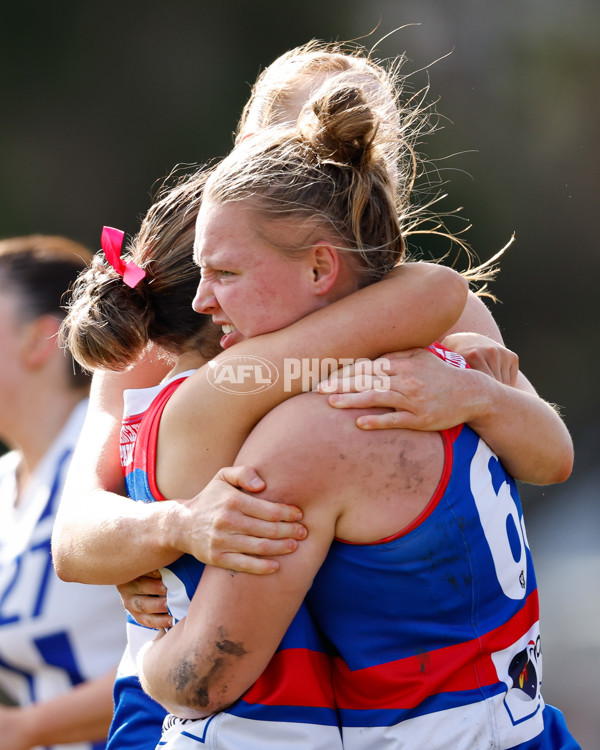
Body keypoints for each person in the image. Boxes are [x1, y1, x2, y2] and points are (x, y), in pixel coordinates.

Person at [54, 41, 573, 749]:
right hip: (192, 712)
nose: (353, 159)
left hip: (379, 715)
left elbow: (551, 455)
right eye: (315, 138)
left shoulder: (433, 306)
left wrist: (475, 397)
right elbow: (75, 534)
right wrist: (168, 532)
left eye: (366, 138)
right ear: (247, 154)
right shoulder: (167, 321)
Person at [0, 235, 127, 750]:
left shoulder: (120, 456)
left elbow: (207, 642)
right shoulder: (8, 480)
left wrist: (28, 729)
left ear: (40, 340)